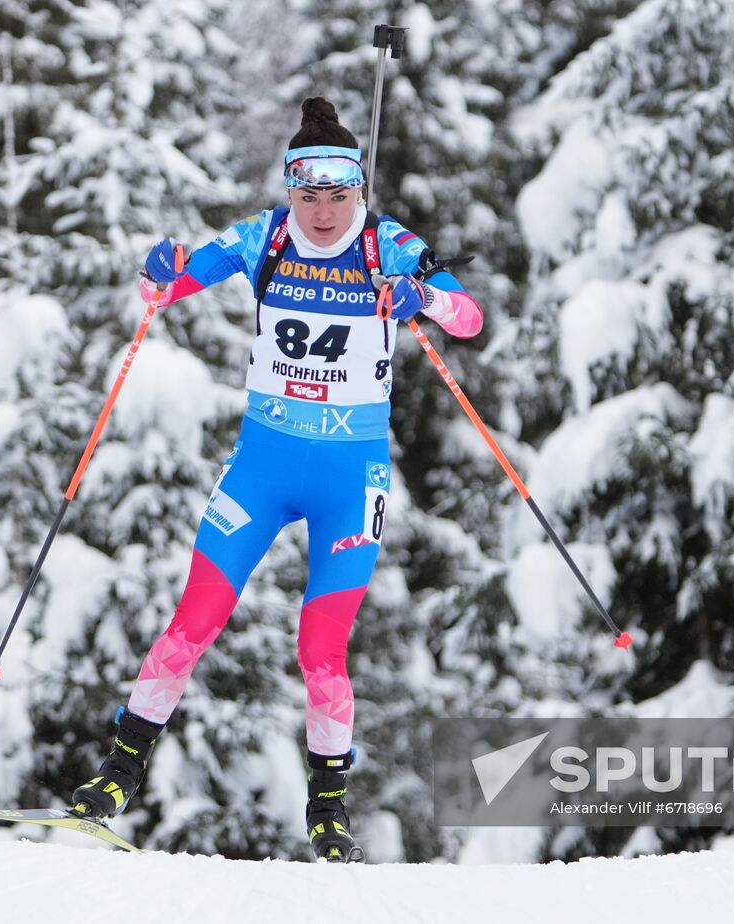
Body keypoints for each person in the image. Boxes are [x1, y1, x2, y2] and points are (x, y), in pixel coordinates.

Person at [70, 96, 483, 862]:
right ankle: (116, 778)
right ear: (289, 190)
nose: (322, 213)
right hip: (261, 468)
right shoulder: (262, 236)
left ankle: (329, 807)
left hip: (348, 480)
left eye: (338, 196)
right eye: (307, 196)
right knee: (193, 620)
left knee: (320, 650)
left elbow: (468, 318)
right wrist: (158, 274)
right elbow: (168, 289)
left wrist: (421, 294)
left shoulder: (385, 244)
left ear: (358, 190)